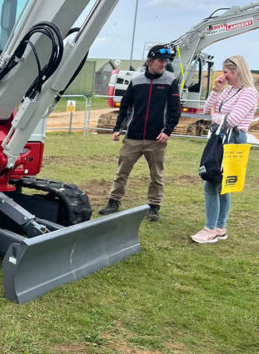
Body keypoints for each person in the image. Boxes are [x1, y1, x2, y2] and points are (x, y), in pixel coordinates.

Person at [99, 44, 181, 221]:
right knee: (121, 172)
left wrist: (167, 131)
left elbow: (175, 110)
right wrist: (117, 128)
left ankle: (154, 206)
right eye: (160, 60)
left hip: (157, 139)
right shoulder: (136, 81)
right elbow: (126, 106)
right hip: (133, 137)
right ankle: (114, 202)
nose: (163, 64)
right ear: (150, 61)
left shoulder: (170, 81)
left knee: (156, 175)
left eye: (165, 61)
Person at [191, 55, 258, 244]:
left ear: (237, 71)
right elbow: (206, 108)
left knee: (211, 182)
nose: (224, 75)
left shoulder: (249, 93)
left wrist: (215, 116)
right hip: (219, 137)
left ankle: (210, 228)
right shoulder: (228, 90)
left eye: (226, 72)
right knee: (221, 185)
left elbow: (233, 120)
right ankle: (220, 227)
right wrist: (216, 89)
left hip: (233, 139)